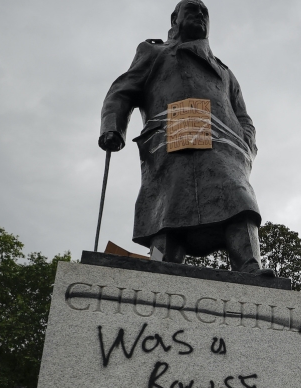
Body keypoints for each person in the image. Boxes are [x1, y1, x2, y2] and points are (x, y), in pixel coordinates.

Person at [98, 0, 271, 275]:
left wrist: (245, 144)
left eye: (205, 12)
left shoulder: (225, 71)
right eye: (193, 10)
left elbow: (243, 115)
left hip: (225, 147)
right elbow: (122, 91)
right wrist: (113, 127)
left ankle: (250, 265)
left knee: (240, 199)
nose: (201, 15)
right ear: (174, 18)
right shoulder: (154, 52)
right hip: (174, 138)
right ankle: (163, 262)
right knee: (169, 205)